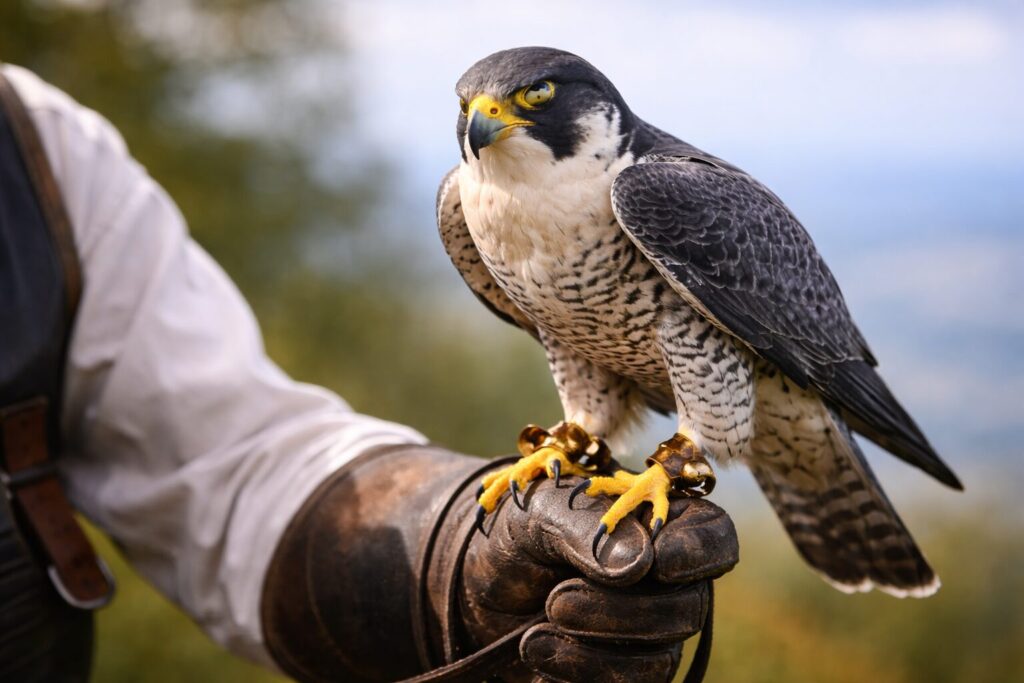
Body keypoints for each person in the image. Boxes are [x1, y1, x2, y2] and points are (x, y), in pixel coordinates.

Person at [0, 63, 738, 683]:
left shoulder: (35, 152)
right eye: (473, 108)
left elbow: (228, 466)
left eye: (528, 100)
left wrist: (457, 556)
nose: (483, 120)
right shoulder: (475, 205)